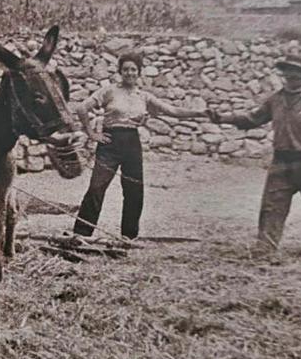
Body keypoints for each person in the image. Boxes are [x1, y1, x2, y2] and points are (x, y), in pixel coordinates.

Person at [73, 52, 208, 239]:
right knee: (96, 187)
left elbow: (173, 110)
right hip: (110, 143)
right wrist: (92, 133)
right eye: (126, 69)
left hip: (132, 144)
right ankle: (81, 234)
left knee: (134, 190)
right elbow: (81, 108)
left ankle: (129, 237)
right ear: (120, 71)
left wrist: (200, 113)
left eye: (133, 70)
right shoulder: (109, 91)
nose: (129, 73)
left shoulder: (144, 96)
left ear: (139, 73)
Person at [208, 55, 301, 251]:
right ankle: (266, 247)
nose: (291, 75)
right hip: (281, 161)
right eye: (287, 70)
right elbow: (253, 118)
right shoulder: (276, 99)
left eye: (296, 71)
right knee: (272, 206)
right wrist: (224, 118)